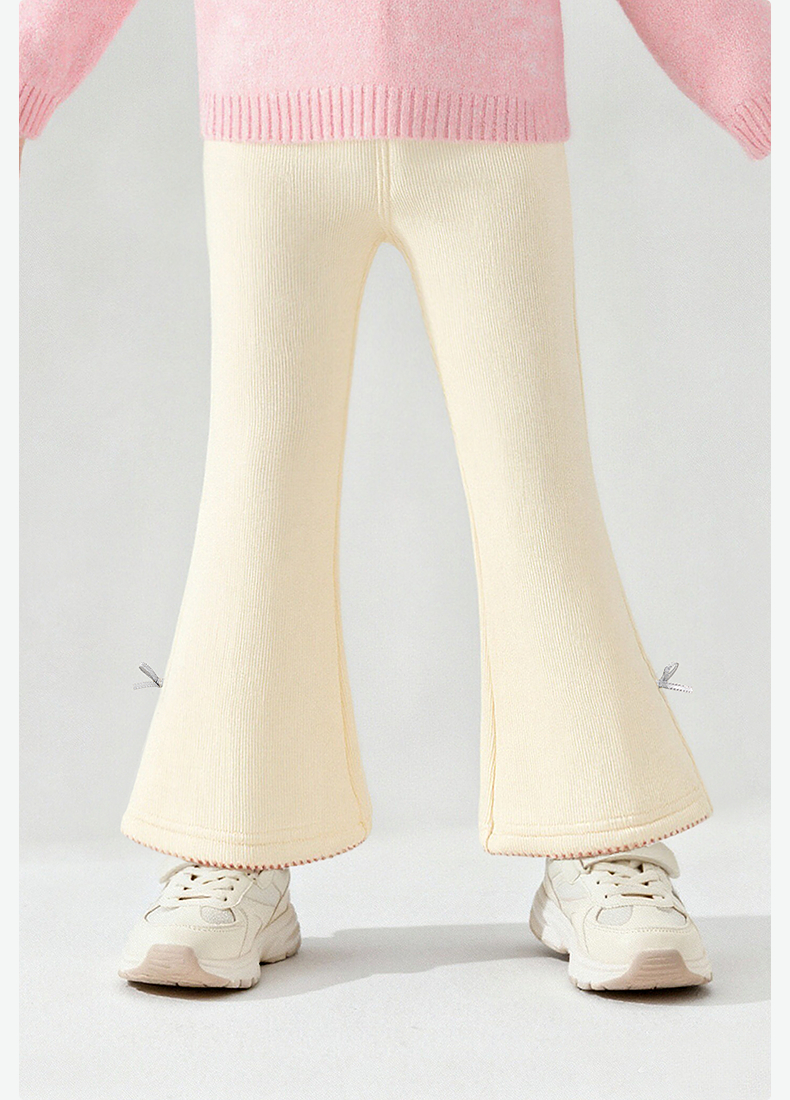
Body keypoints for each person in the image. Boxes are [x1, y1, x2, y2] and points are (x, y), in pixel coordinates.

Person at [20, 0, 770, 992]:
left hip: (490, 98)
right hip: (268, 99)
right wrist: (25, 60)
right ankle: (232, 840)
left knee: (538, 491)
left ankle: (600, 834)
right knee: (256, 494)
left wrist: (755, 74)